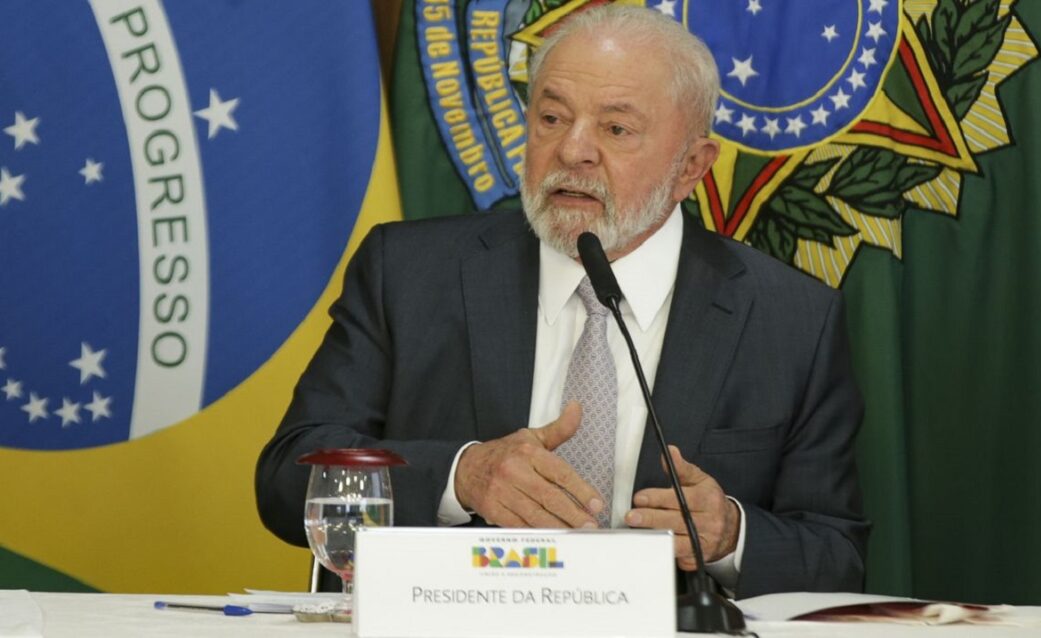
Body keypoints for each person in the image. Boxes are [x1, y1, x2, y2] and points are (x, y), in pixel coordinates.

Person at [256, 5, 869, 599]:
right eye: (551, 118)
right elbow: (287, 479)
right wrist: (460, 476)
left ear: (692, 168)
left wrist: (731, 535)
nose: (573, 151)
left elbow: (837, 558)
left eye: (616, 128)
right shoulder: (408, 274)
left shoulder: (791, 320)